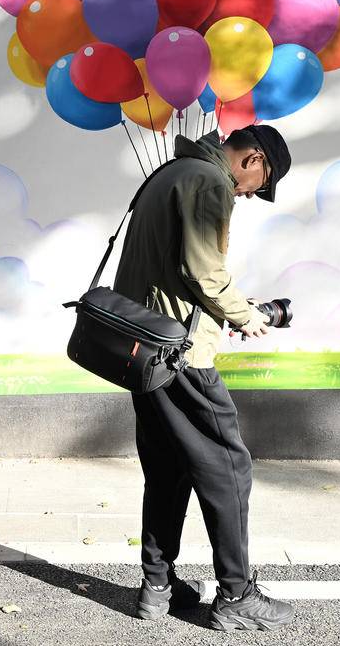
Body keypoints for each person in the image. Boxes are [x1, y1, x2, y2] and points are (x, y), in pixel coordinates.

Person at [113, 124, 294, 631]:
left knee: (167, 468)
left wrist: (225, 307)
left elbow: (171, 269)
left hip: (143, 350)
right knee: (229, 467)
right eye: (259, 184)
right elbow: (204, 270)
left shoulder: (171, 171)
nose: (250, 194)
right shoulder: (209, 181)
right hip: (180, 356)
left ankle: (156, 587)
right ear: (253, 159)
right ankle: (235, 595)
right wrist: (244, 315)